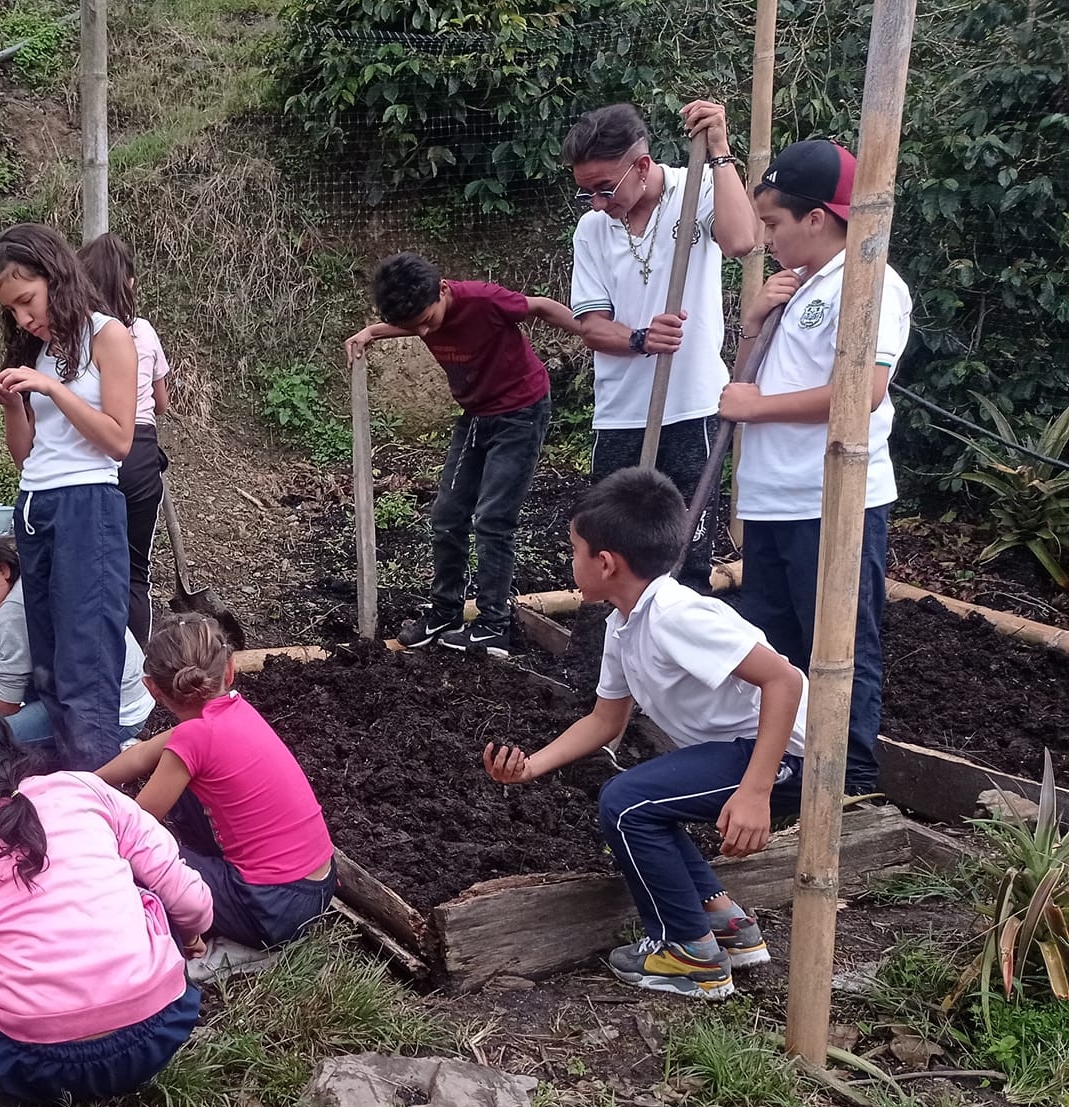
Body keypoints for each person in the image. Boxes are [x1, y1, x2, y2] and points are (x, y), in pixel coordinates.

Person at [481, 469, 806, 1000]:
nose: (572, 562)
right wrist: (531, 767)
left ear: (605, 563)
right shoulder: (625, 622)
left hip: (785, 755)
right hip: (745, 754)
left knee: (627, 801)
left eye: (574, 550)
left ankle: (689, 952)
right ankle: (725, 924)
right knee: (649, 801)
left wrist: (755, 791)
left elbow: (784, 679)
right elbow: (606, 721)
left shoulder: (678, 615)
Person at [0, 685, 209, 1106]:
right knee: (145, 888)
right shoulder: (83, 789)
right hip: (160, 1029)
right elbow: (183, 891)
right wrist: (193, 932)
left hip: (33, 1061)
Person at [718, 140, 910, 793]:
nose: (764, 237)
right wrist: (751, 325)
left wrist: (759, 407)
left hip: (829, 499)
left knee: (837, 646)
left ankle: (848, 783)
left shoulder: (870, 284)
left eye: (771, 224)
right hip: (774, 500)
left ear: (815, 218)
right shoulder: (798, 286)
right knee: (774, 647)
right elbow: (742, 391)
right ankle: (788, 770)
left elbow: (864, 391)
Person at [562, 101, 759, 589]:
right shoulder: (592, 229)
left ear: (643, 166)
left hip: (692, 407)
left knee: (685, 547)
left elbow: (740, 241)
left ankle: (677, 653)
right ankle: (618, 648)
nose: (597, 203)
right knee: (612, 546)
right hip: (621, 414)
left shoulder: (697, 189)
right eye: (585, 191)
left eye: (604, 189)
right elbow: (590, 324)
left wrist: (720, 150)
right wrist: (639, 339)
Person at [345, 253, 582, 656]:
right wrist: (371, 332)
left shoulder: (484, 300)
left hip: (521, 411)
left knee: (493, 518)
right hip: (477, 414)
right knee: (448, 514)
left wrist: (592, 334)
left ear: (442, 290)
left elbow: (538, 306)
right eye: (413, 326)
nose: (422, 330)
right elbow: (412, 321)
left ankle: (493, 625)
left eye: (427, 321)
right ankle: (445, 613)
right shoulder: (420, 310)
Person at [0, 223, 137, 771]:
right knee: (48, 661)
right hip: (36, 505)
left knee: (85, 661)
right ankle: (63, 783)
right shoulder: (39, 355)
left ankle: (98, 789)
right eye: (12, 311)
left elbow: (118, 440)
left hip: (87, 506)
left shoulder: (108, 335)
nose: (23, 319)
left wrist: (53, 389)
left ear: (56, 276)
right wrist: (12, 404)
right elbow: (26, 457)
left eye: (27, 301)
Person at [97, 615, 336, 950]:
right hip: (318, 887)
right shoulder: (233, 712)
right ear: (230, 669)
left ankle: (200, 937)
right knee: (177, 781)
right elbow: (141, 756)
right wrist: (86, 783)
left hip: (269, 909)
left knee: (135, 859)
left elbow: (134, 828)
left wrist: (80, 820)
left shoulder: (194, 739)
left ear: (151, 688)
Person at [0, 529, 153, 749]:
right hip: (128, 697)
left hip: (111, 716)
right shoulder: (28, 577)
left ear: (1, 569)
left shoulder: (13, 609)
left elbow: (6, 704)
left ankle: (119, 749)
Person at [79, 232, 172, 644]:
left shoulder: (73, 336)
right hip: (137, 452)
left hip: (86, 452)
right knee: (135, 570)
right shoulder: (144, 332)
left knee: (88, 567)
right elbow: (162, 402)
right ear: (129, 283)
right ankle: (133, 671)